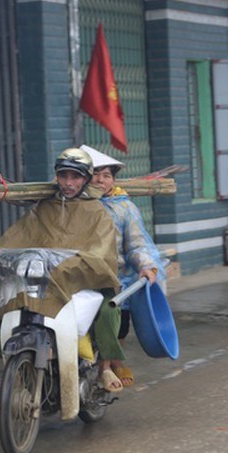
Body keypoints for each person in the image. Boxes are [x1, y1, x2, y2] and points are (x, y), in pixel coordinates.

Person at [0, 147, 126, 392]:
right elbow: (18, 237)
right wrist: (0, 256)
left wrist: (71, 266)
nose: (68, 183)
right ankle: (9, 368)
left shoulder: (98, 212)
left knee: (108, 308)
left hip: (82, 280)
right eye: (63, 176)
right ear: (56, 176)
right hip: (43, 279)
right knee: (6, 300)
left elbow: (99, 252)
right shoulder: (43, 207)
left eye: (75, 177)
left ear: (85, 178)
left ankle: (105, 367)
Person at [80, 144, 168, 388]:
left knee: (118, 321)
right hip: (81, 273)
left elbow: (137, 243)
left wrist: (146, 265)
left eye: (106, 175)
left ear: (113, 180)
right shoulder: (75, 204)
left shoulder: (124, 207)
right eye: (95, 173)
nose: (100, 179)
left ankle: (107, 365)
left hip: (117, 276)